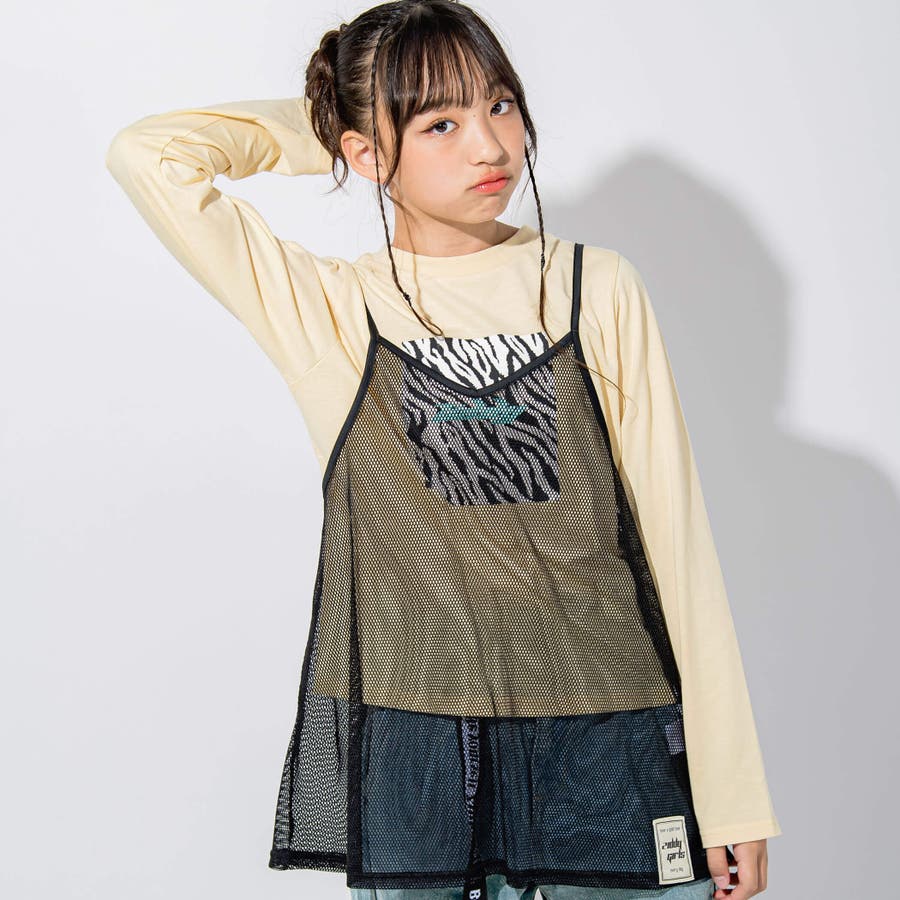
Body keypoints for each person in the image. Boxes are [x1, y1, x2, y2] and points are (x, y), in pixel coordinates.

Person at [104, 2, 781, 899]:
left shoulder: (596, 288)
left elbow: (677, 547)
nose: (490, 146)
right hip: (419, 748)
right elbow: (148, 156)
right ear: (367, 152)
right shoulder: (332, 311)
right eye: (440, 124)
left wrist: (733, 796)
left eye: (500, 104)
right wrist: (340, 127)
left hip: (604, 733)